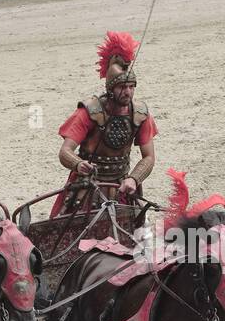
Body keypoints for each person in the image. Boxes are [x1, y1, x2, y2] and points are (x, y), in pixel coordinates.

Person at [52, 31, 158, 217]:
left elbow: (148, 157)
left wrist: (134, 179)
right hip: (87, 188)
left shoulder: (140, 113)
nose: (128, 92)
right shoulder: (90, 112)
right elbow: (65, 152)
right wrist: (78, 164)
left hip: (123, 186)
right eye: (122, 87)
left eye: (131, 87)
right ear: (110, 88)